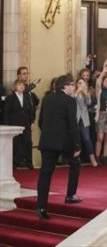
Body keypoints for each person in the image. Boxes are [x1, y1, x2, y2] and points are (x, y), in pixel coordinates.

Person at [37, 75, 82, 219]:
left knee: (45, 174)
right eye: (72, 84)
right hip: (64, 142)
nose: (73, 87)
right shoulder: (70, 100)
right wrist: (77, 144)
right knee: (75, 163)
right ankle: (70, 195)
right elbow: (72, 124)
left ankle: (41, 207)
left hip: (47, 141)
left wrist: (47, 134)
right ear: (65, 86)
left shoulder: (47, 98)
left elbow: (41, 121)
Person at [4, 80, 35, 168]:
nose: (21, 86)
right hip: (14, 124)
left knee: (28, 142)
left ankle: (29, 162)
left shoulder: (27, 97)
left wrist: (32, 122)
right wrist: (7, 125)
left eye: (23, 85)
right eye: (19, 85)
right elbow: (6, 112)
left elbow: (31, 111)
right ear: (15, 86)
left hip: (26, 124)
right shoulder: (10, 98)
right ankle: (15, 163)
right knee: (15, 143)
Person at [75, 78, 97, 167]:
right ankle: (76, 158)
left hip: (84, 119)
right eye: (79, 83)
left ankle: (92, 158)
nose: (80, 85)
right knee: (77, 139)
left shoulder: (86, 93)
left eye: (82, 83)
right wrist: (77, 91)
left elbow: (89, 103)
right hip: (75, 118)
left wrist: (84, 93)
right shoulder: (73, 92)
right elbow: (71, 101)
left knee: (87, 139)